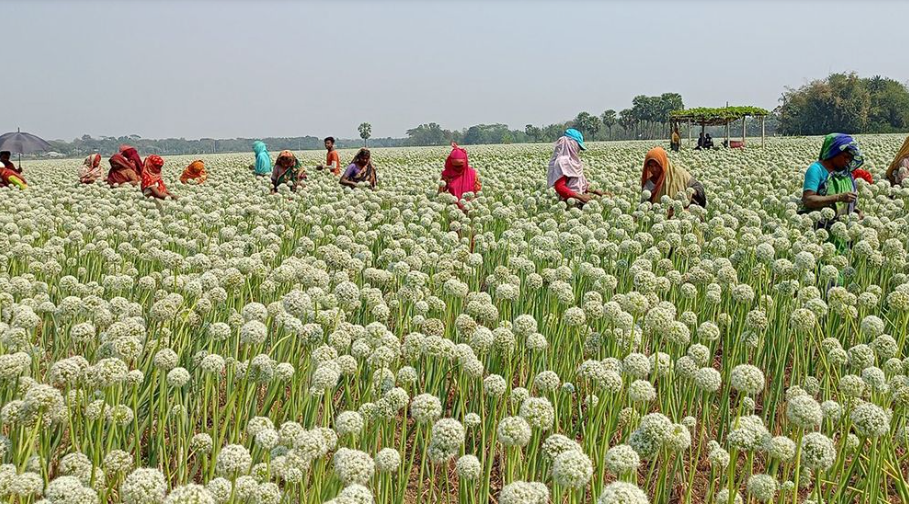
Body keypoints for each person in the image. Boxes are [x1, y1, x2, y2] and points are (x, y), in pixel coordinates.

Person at [800, 133, 862, 220]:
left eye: (850, 159)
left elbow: (848, 201)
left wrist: (857, 212)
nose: (847, 161)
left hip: (845, 227)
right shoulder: (816, 169)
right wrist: (838, 197)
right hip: (819, 225)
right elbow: (808, 200)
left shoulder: (846, 172)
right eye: (845, 156)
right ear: (834, 152)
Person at [547, 128, 605, 206]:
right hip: (568, 204)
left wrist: (599, 192)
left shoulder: (573, 161)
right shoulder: (563, 162)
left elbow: (580, 183)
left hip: (578, 201)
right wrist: (581, 197)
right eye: (578, 146)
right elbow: (560, 187)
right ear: (571, 144)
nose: (578, 150)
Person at [641, 146, 707, 214]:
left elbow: (698, 187)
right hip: (660, 218)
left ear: (663, 163)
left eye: (656, 165)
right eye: (651, 166)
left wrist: (691, 194)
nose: (654, 169)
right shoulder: (648, 184)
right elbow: (644, 205)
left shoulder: (679, 173)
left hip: (684, 215)